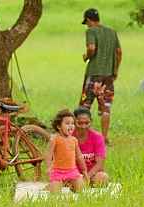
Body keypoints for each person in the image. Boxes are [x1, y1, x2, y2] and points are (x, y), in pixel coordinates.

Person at [79, 8, 122, 145]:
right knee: (106, 107)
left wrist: (87, 56)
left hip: (94, 74)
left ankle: (83, 137)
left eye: (86, 22)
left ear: (89, 20)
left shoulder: (91, 31)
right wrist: (115, 70)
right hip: (108, 76)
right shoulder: (112, 32)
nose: (87, 25)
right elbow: (119, 52)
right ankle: (103, 138)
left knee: (85, 106)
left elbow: (91, 48)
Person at [46, 109, 89, 193]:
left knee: (81, 189)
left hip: (72, 171)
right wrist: (48, 167)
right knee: (55, 193)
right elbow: (48, 154)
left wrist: (84, 171)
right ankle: (51, 185)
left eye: (72, 123)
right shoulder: (54, 139)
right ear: (59, 126)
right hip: (57, 171)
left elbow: (79, 156)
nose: (71, 126)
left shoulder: (74, 140)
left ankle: (70, 185)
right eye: (67, 123)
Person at [73, 107, 109, 186]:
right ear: (74, 122)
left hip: (91, 174)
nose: (83, 126)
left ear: (91, 121)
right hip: (73, 175)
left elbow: (99, 164)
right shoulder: (69, 137)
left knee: (103, 177)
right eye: (80, 123)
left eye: (87, 123)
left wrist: (87, 177)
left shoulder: (97, 137)